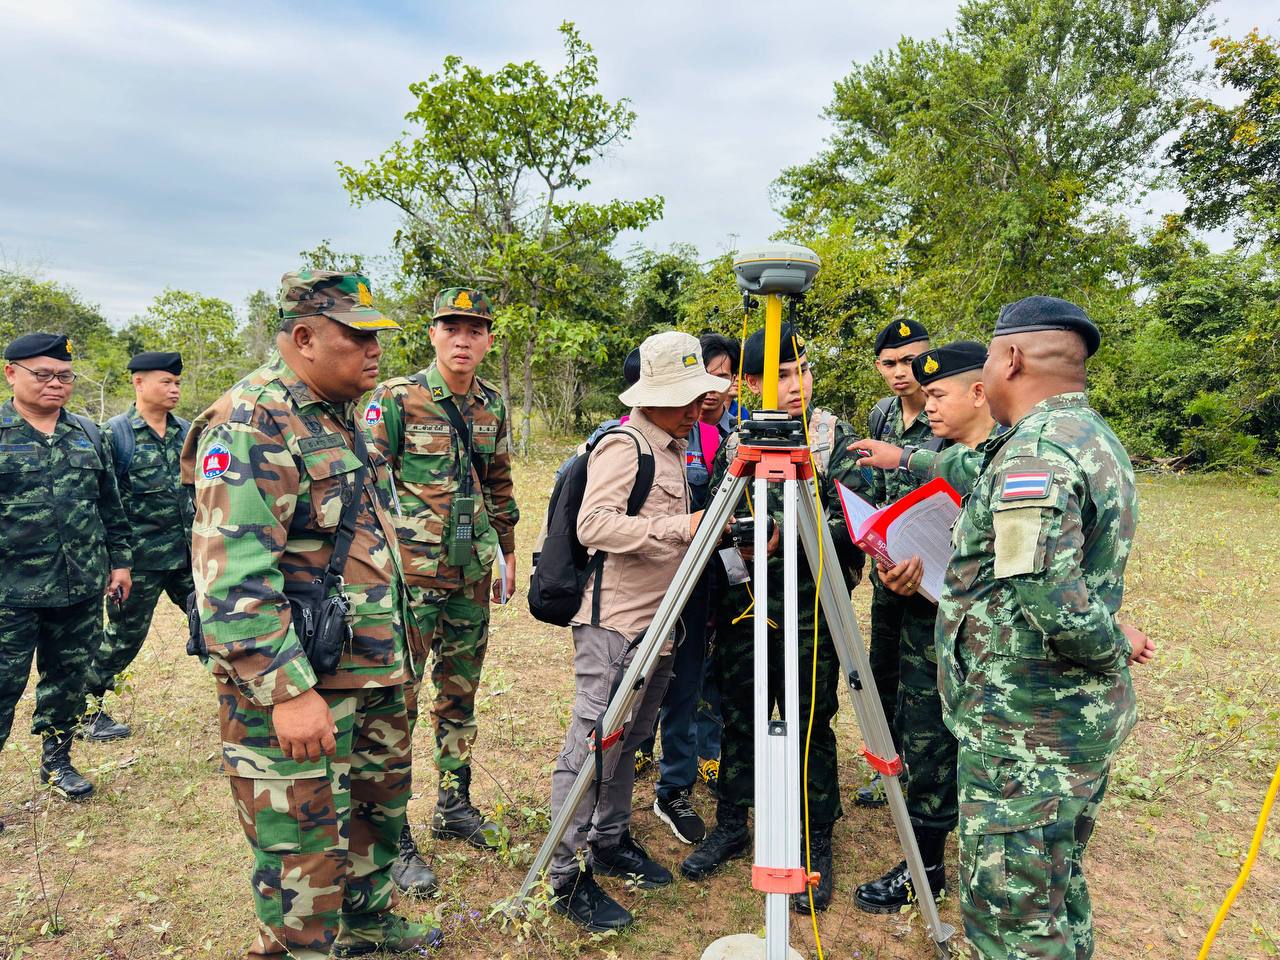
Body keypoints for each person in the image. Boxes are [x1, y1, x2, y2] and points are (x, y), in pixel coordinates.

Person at [182, 270, 440, 959]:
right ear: (303, 337)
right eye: (357, 336)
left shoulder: (337, 412)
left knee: (372, 820)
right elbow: (231, 581)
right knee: (302, 854)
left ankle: (367, 925)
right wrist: (289, 693)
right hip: (302, 686)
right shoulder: (252, 420)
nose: (374, 350)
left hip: (371, 672)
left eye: (377, 335)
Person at [935, 297, 1155, 958]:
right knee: (1055, 893)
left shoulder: (1036, 453)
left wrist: (1109, 643)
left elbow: (1050, 595)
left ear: (1011, 358)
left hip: (1028, 730)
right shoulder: (1092, 436)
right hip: (1062, 725)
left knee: (1012, 921)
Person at [547, 330, 727, 933]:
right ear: (651, 395)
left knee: (630, 738)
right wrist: (683, 528)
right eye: (684, 396)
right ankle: (564, 873)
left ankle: (610, 837)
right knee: (594, 742)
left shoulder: (676, 447)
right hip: (615, 625)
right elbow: (595, 525)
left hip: (661, 621)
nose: (696, 406)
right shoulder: (627, 445)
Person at [680, 324, 863, 915]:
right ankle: (734, 823)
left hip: (811, 607)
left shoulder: (835, 439)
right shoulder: (736, 443)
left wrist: (796, 539)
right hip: (746, 606)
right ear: (748, 384)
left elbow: (857, 523)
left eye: (801, 371)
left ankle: (816, 843)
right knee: (741, 716)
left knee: (812, 723)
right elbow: (715, 522)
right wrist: (742, 547)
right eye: (779, 376)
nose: (794, 385)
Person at [367, 287, 519, 892]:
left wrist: (505, 554)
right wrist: (382, 564)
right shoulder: (397, 397)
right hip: (411, 578)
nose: (463, 339)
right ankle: (392, 831)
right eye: (451, 327)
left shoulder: (491, 405)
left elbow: (500, 482)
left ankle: (455, 804)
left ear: (486, 339)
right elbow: (370, 484)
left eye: (475, 329)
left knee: (459, 693)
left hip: (470, 577)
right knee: (397, 701)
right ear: (432, 334)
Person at [843, 341, 998, 913]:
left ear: (979, 392)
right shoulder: (942, 449)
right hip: (924, 622)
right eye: (924, 395)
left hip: (981, 639)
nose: (927, 406)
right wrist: (900, 566)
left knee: (966, 743)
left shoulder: (1006, 460)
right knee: (926, 734)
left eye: (937, 394)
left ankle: (947, 860)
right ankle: (925, 863)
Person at [0, 332, 132, 807]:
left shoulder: (88, 433)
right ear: (11, 373)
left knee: (68, 680)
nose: (56, 383)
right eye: (43, 374)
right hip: (9, 595)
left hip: (79, 586)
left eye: (65, 375)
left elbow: (110, 507)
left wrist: (121, 563)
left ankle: (57, 761)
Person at [636, 332, 741, 843]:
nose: (709, 394)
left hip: (696, 590)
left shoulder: (716, 440)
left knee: (686, 687)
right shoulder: (621, 442)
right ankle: (608, 782)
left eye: (718, 379)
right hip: (641, 594)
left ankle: (674, 786)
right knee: (629, 688)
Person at [81, 351, 194, 742]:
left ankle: (245, 702)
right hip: (139, 562)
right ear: (139, 382)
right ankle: (85, 709)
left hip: (188, 558)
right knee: (122, 640)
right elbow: (103, 502)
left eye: (178, 382)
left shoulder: (187, 431)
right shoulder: (114, 435)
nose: (174, 388)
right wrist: (117, 562)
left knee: (217, 627)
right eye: (166, 381)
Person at [852, 317, 938, 808]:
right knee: (884, 670)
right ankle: (889, 766)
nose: (901, 372)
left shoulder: (949, 412)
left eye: (911, 361)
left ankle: (925, 774)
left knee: (926, 678)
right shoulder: (882, 414)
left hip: (932, 576)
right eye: (889, 363)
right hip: (888, 571)